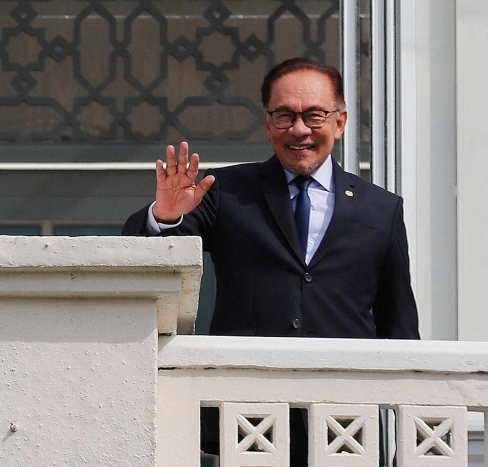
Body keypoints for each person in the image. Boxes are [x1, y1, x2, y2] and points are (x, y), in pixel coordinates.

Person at [121, 57, 419, 460]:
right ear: (267, 123)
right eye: (284, 116)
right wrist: (167, 215)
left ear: (340, 122)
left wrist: (410, 435)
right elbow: (146, 261)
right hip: (247, 411)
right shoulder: (227, 190)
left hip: (346, 417)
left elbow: (398, 321)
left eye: (314, 116)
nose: (299, 130)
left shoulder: (380, 209)